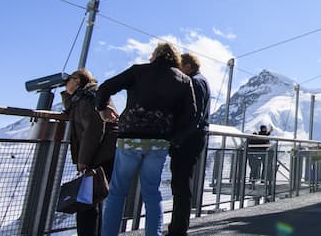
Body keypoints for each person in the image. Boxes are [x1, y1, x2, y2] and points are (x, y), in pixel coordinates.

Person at [95, 43, 196, 236]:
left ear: (156, 54)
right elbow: (191, 115)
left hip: (129, 139)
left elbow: (105, 87)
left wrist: (102, 109)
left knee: (117, 192)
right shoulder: (183, 80)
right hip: (158, 142)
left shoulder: (138, 71)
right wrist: (174, 138)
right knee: (152, 193)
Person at [61, 69, 118, 236]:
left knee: (86, 202)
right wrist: (67, 95)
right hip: (104, 152)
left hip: (100, 154)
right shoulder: (84, 97)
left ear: (78, 80)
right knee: (94, 200)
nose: (66, 84)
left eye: (69, 80)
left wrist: (84, 160)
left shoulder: (88, 97)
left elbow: (93, 130)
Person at [167, 53, 210, 236]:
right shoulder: (201, 80)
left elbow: (195, 114)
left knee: (181, 184)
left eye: (179, 67)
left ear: (188, 66)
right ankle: (178, 227)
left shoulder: (194, 82)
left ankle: (178, 229)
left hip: (188, 139)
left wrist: (178, 138)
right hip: (193, 137)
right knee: (181, 182)